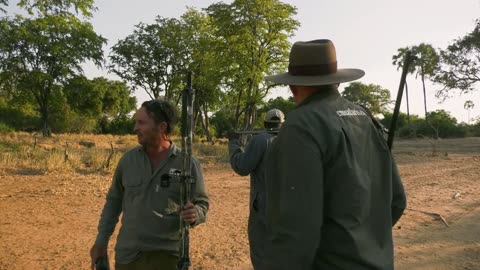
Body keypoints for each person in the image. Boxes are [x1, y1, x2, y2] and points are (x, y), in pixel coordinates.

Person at [259, 39, 407, 270]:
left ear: (293, 86)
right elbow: (397, 201)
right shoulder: (365, 118)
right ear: (336, 81)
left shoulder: (300, 126)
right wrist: (362, 242)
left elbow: (296, 230)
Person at [90, 99, 209, 270]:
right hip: (128, 256)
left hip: (168, 256)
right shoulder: (128, 161)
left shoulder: (187, 163)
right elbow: (113, 203)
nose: (135, 128)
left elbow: (202, 203)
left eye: (141, 122)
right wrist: (101, 243)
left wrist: (195, 214)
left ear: (162, 127)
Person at [227, 109, 285, 269]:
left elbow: (241, 166)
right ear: (282, 124)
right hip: (289, 207)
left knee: (261, 252)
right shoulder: (295, 140)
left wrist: (233, 143)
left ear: (265, 124)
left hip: (264, 208)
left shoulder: (261, 140)